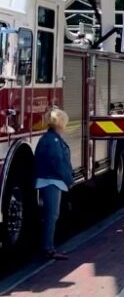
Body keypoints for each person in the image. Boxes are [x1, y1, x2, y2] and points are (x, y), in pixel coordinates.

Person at [35, 108, 74, 260]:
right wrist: (69, 180)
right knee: (52, 215)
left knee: (51, 215)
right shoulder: (53, 140)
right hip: (52, 181)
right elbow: (58, 163)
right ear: (60, 123)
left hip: (50, 180)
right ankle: (48, 248)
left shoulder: (49, 138)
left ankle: (50, 247)